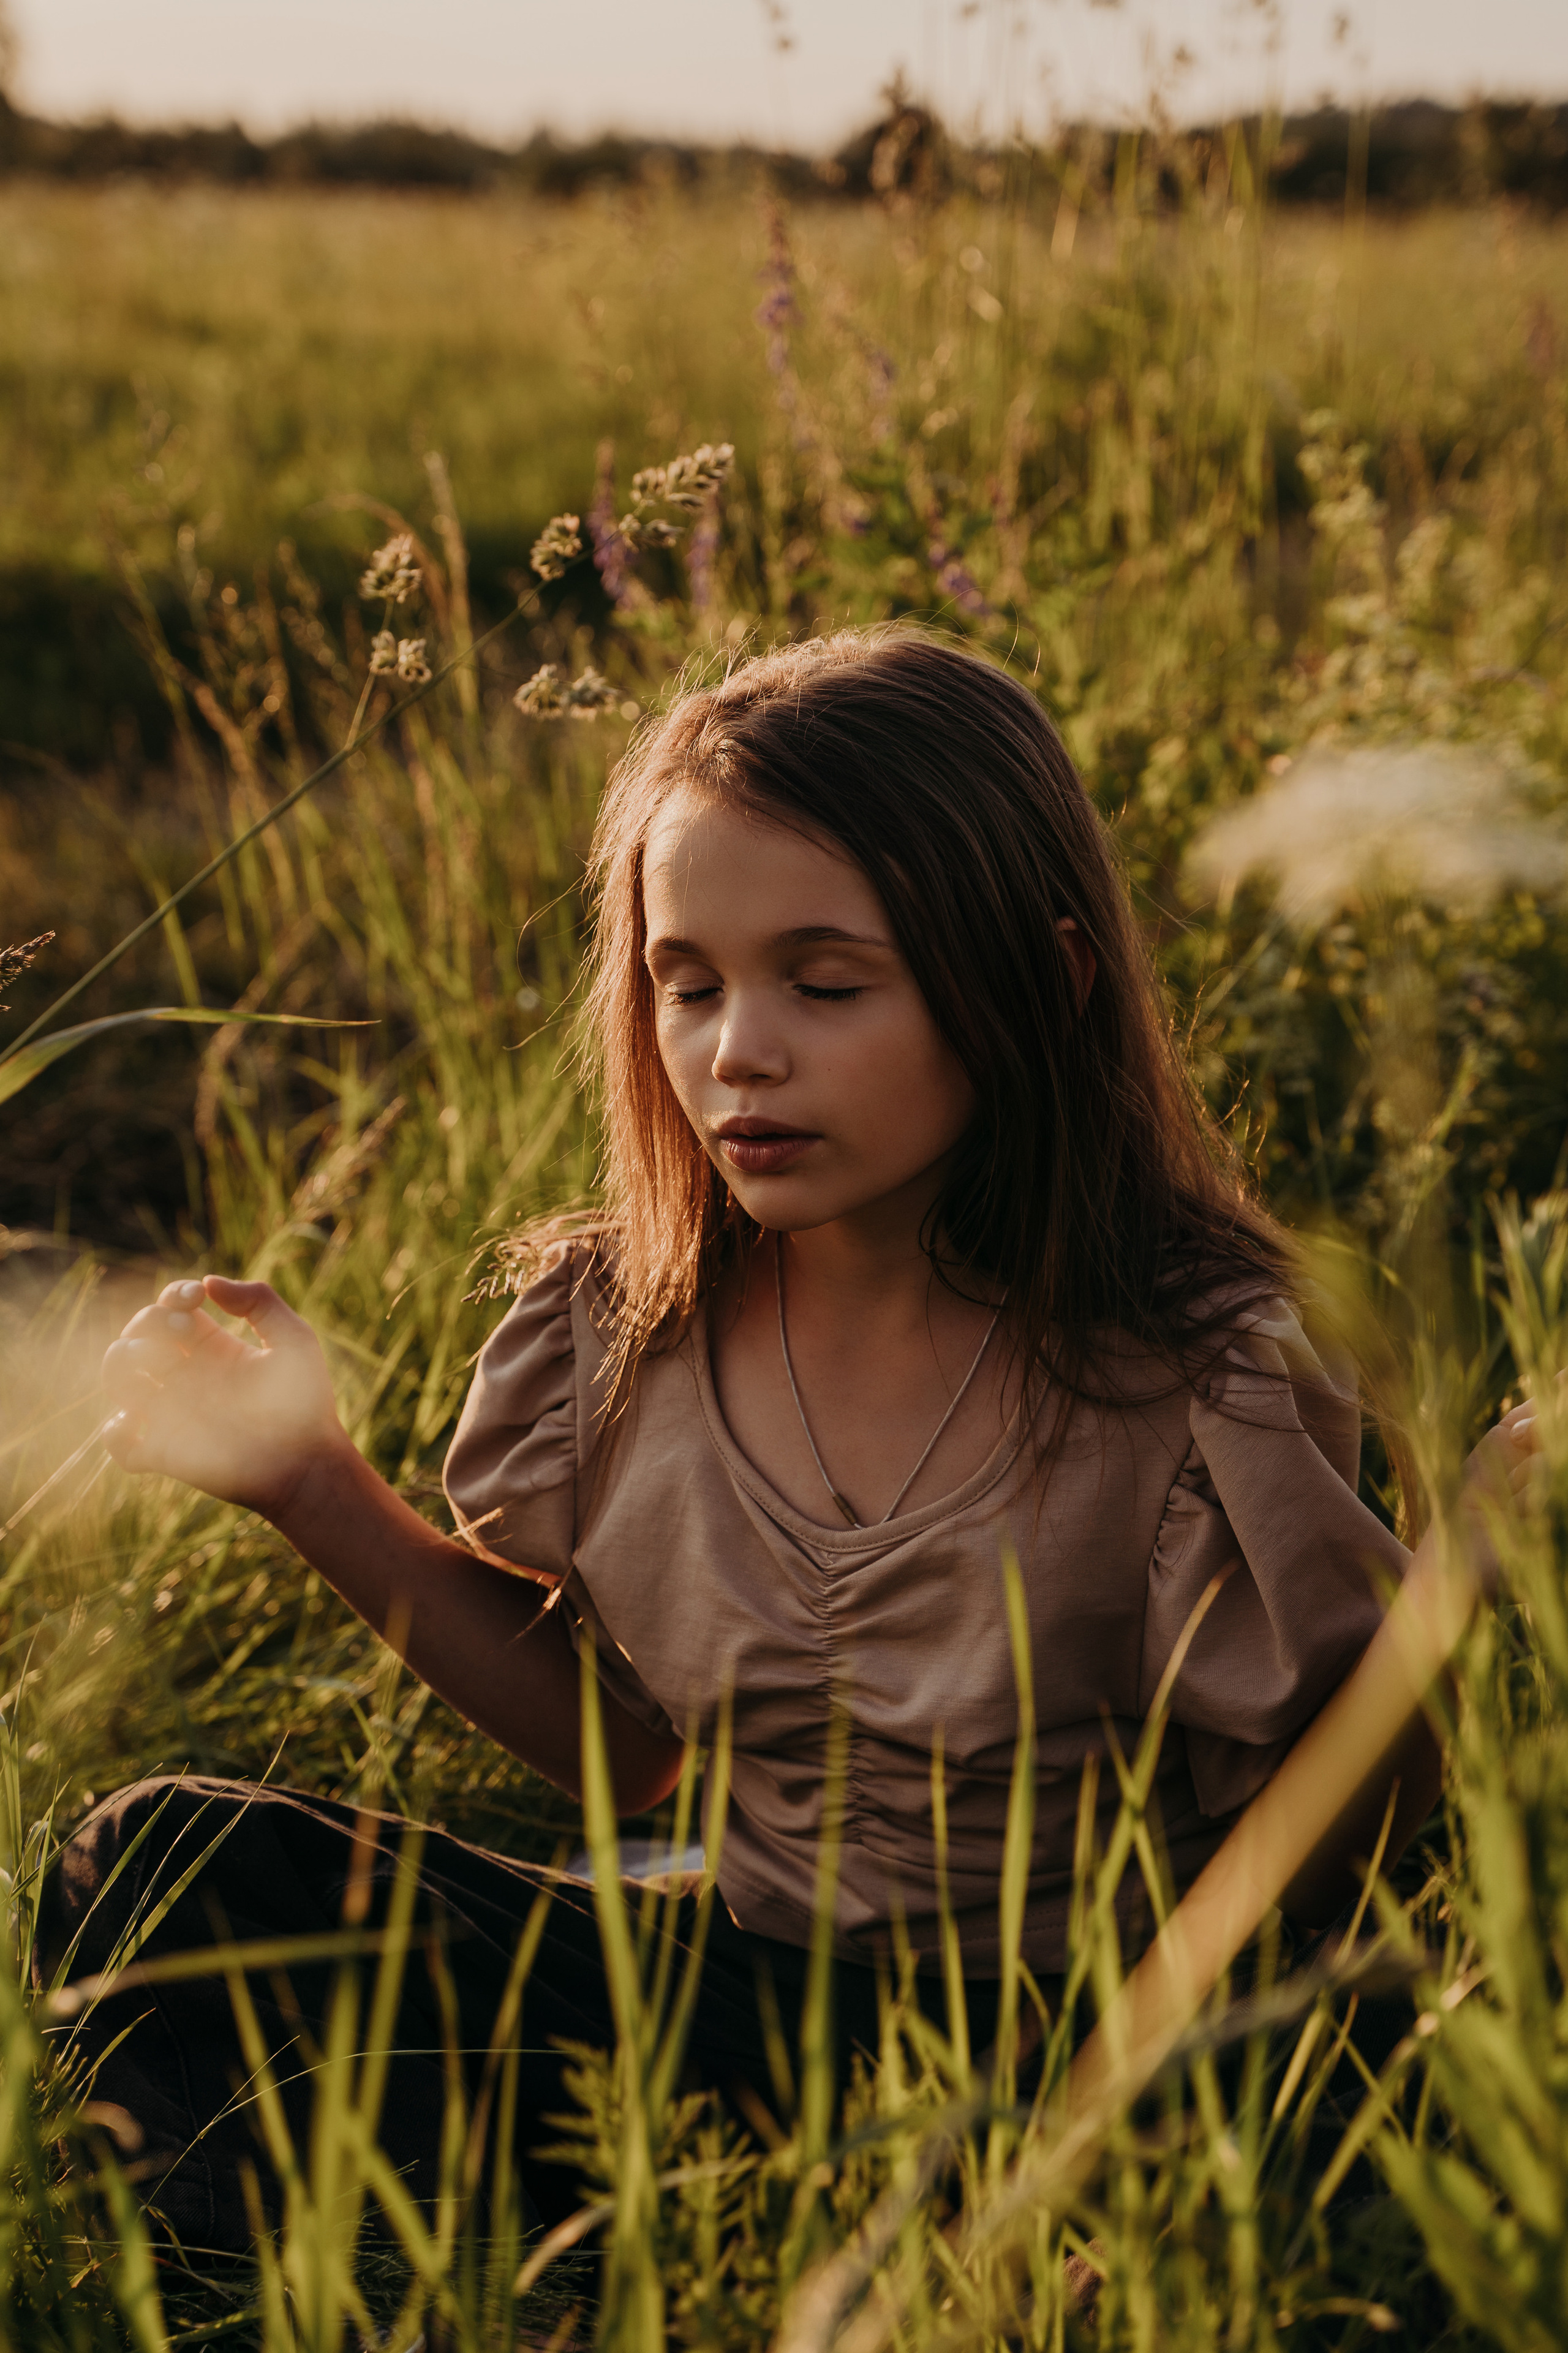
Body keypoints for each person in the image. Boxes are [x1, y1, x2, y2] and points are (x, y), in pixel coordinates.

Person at [43, 627, 1539, 2252]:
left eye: (826, 983)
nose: (737, 1048)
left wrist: (1452, 1589)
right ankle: (437, 2281)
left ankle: (782, 2241)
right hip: (745, 2007)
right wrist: (313, 1484)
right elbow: (642, 1766)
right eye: (687, 983)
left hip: (1101, 2047)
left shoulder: (1196, 1362)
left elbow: (1337, 1846)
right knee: (163, 1861)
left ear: (1040, 980)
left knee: (1301, 2098)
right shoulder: (631, 1332)